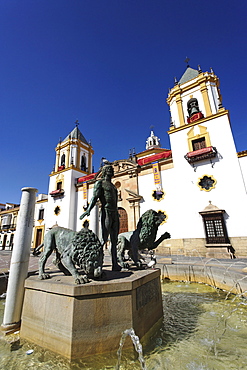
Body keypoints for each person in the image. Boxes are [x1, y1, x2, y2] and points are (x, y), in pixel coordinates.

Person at [80, 164, 121, 271]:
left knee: (114, 239)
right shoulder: (100, 183)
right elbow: (94, 198)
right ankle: (96, 263)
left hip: (114, 213)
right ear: (106, 171)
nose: (113, 171)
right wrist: (88, 210)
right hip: (106, 211)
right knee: (103, 238)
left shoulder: (112, 186)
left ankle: (115, 264)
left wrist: (117, 212)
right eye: (111, 170)